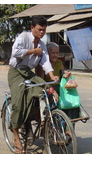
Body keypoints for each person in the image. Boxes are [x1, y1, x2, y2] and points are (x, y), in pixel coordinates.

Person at [8, 16, 59, 154]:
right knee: (18, 103)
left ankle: (39, 124)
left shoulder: (42, 45)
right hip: (16, 72)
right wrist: (32, 51)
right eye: (39, 29)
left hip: (28, 73)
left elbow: (45, 62)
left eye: (44, 30)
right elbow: (15, 52)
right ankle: (16, 135)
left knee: (45, 90)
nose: (42, 32)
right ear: (32, 28)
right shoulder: (23, 37)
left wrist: (52, 74)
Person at [36, 42, 80, 126]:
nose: (55, 55)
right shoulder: (42, 64)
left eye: (57, 53)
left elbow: (62, 74)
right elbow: (41, 82)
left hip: (58, 87)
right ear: (48, 54)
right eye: (53, 53)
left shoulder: (59, 63)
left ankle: (69, 127)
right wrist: (52, 90)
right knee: (52, 99)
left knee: (72, 101)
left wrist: (66, 75)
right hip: (46, 88)